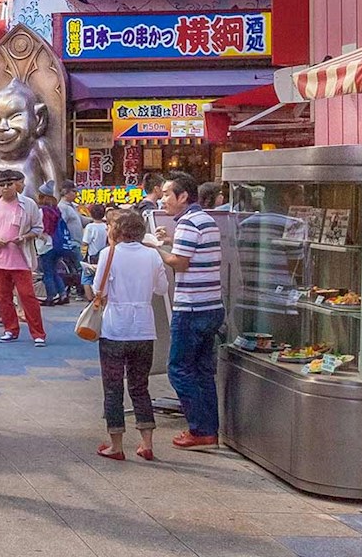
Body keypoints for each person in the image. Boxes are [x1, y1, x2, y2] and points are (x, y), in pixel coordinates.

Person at [93, 208, 168, 461]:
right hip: (144, 329)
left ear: (116, 231)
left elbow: (98, 291)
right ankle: (146, 443)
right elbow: (161, 289)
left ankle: (116, 445)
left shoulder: (108, 254)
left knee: (113, 388)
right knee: (140, 386)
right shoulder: (152, 255)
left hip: (114, 328)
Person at [157, 172, 223, 449]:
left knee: (179, 369)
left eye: (166, 194)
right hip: (212, 305)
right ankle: (209, 430)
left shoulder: (187, 223)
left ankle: (198, 428)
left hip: (192, 307)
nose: (163, 200)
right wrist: (171, 241)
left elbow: (180, 264)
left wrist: (156, 247)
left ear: (183, 196)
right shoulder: (206, 220)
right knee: (203, 370)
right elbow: (190, 255)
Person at [0, 168, 48, 345]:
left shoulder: (28, 205)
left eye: (9, 184)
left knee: (27, 296)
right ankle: (10, 329)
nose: (5, 188)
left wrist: (24, 237)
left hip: (21, 258)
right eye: (1, 185)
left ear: (16, 185)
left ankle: (38, 333)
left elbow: (38, 228)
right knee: (3, 297)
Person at [38, 190, 76, 305]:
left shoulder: (41, 211)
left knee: (48, 271)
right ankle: (62, 294)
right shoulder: (56, 210)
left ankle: (51, 296)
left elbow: (39, 228)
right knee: (54, 271)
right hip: (58, 244)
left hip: (46, 245)